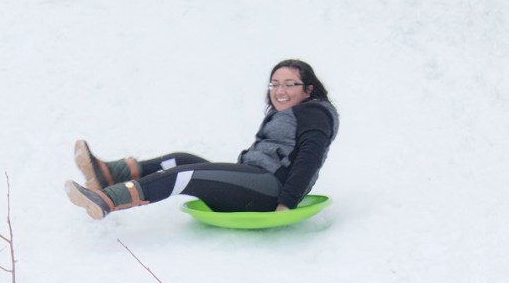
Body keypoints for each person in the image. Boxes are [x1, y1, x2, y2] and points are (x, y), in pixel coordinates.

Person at [65, 59, 339, 220]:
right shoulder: (294, 113)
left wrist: (287, 203)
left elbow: (309, 158)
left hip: (269, 190)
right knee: (182, 160)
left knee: (185, 174)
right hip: (258, 182)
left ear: (308, 89)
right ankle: (107, 174)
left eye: (289, 84)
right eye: (275, 84)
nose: (279, 91)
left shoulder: (314, 114)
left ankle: (106, 200)